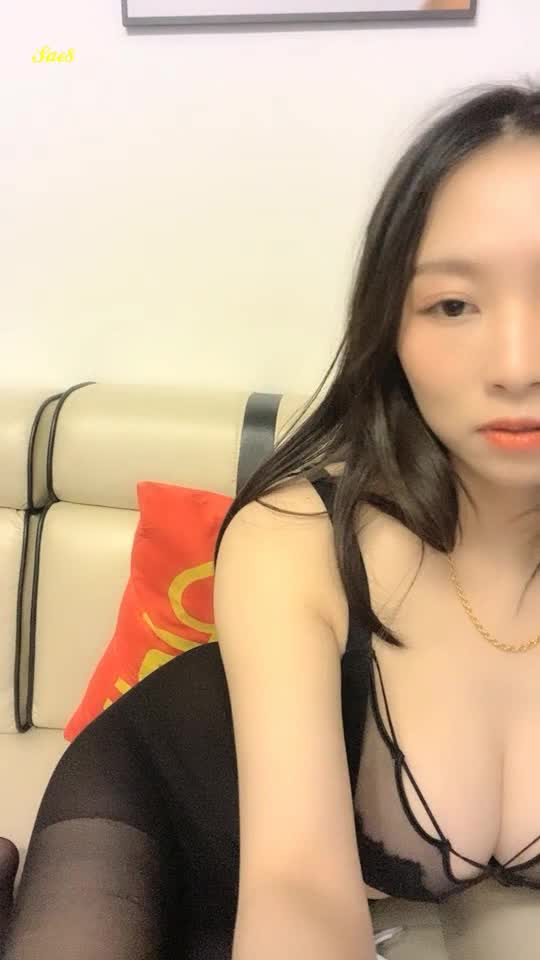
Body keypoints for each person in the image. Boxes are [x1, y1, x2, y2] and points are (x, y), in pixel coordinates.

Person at [2, 78, 540, 959]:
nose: (517, 365)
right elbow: (298, 889)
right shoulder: (297, 538)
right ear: (391, 331)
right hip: (156, 805)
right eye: (452, 304)